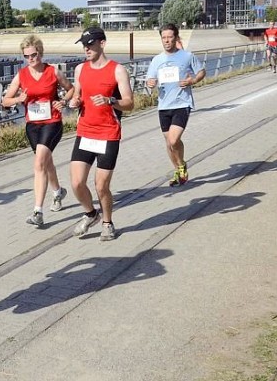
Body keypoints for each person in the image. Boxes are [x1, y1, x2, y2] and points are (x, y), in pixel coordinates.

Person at [68, 27, 134, 241]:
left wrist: (111, 101)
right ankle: (90, 214)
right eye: (84, 45)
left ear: (102, 43)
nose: (86, 48)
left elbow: (129, 103)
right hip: (85, 131)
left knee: (101, 186)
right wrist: (74, 101)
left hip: (108, 134)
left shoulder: (117, 70)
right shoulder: (80, 69)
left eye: (90, 44)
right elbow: (77, 96)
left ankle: (107, 222)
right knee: (77, 183)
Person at [1, 35, 74, 228]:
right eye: (27, 56)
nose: (31, 59)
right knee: (45, 162)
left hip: (52, 122)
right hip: (32, 125)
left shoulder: (53, 72)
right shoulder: (21, 75)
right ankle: (58, 191)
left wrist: (64, 101)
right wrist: (18, 99)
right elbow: (5, 101)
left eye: (34, 55)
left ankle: (37, 211)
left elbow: (70, 89)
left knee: (39, 162)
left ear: (40, 53)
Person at [145, 24, 206, 186]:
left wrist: (192, 80)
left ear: (176, 38)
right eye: (164, 37)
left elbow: (201, 72)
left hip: (182, 103)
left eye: (170, 37)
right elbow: (150, 80)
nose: (166, 40)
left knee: (173, 140)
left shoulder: (186, 56)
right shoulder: (157, 60)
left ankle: (181, 165)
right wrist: (150, 83)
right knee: (169, 144)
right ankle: (179, 170)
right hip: (164, 105)